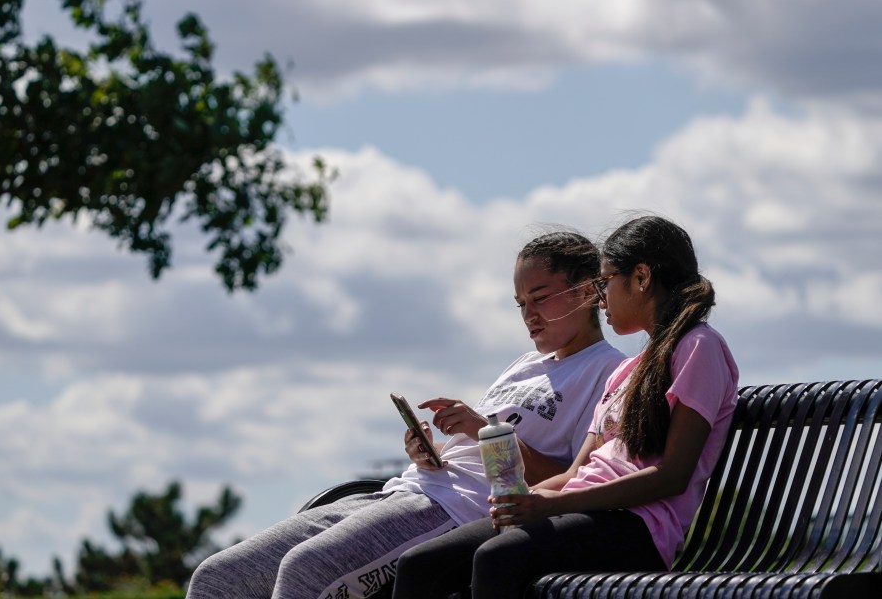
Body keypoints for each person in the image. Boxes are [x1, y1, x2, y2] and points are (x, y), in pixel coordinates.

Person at [186, 230, 625, 599]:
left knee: (306, 572)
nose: (528, 315)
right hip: (403, 491)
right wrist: (430, 452)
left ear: (587, 291)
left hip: (456, 512)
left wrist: (483, 430)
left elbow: (575, 480)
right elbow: (477, 449)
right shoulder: (525, 365)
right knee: (216, 577)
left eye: (540, 298)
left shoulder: (608, 371)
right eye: (520, 304)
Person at [391, 215, 740, 599]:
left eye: (606, 283)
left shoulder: (698, 346)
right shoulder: (626, 372)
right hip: (578, 512)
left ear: (641, 278)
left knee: (498, 559)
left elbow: (672, 474)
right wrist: (524, 498)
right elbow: (578, 471)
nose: (600, 298)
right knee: (420, 564)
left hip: (636, 526)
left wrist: (556, 502)